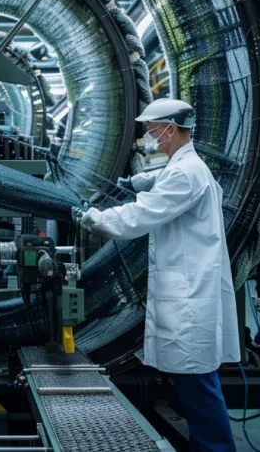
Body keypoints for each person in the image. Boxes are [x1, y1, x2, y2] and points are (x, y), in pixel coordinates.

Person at [79, 98, 239, 452]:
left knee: (199, 389)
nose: (150, 138)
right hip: (189, 292)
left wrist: (97, 219)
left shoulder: (185, 173)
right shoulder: (186, 168)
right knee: (196, 388)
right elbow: (160, 185)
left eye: (152, 131)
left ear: (170, 128)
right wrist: (138, 181)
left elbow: (143, 216)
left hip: (190, 297)